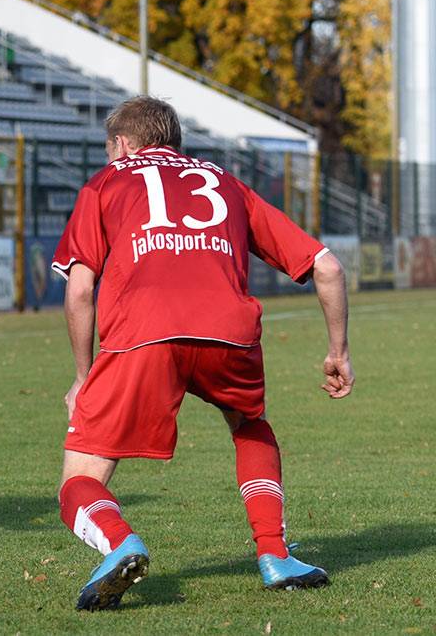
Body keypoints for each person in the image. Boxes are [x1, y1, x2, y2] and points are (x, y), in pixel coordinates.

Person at [50, 96, 354, 610]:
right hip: (228, 331)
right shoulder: (226, 182)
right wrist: (338, 351)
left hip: (142, 333)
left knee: (78, 481)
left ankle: (120, 543)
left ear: (122, 145)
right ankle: (276, 556)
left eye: (110, 149)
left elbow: (80, 291)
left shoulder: (106, 181)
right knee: (249, 423)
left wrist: (83, 376)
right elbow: (327, 267)